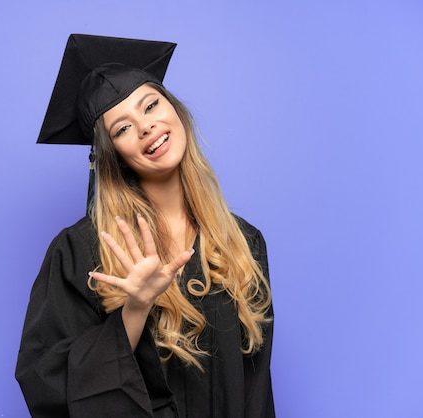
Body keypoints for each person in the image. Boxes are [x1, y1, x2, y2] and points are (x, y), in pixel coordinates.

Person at [16, 34, 274, 418]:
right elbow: (49, 385)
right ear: (112, 157)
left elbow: (256, 391)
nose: (146, 127)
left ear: (176, 110)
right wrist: (134, 309)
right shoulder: (82, 251)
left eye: (151, 104)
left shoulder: (242, 241)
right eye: (122, 128)